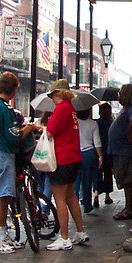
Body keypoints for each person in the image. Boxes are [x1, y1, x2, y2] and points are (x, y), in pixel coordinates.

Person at [0, 71, 38, 254]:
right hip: (2, 154)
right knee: (0, 197)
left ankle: (3, 236)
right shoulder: (4, 109)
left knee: (3, 197)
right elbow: (14, 137)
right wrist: (29, 128)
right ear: (12, 91)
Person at [44, 79, 89, 250]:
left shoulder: (61, 109)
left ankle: (64, 238)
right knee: (71, 196)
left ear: (58, 94)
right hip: (74, 157)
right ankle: (80, 232)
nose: (52, 99)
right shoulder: (71, 109)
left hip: (62, 158)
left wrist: (40, 127)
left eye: (52, 95)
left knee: (60, 198)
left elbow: (50, 132)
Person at [108, 84, 132, 220]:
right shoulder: (125, 110)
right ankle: (128, 207)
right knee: (124, 180)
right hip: (119, 150)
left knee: (127, 180)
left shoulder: (131, 110)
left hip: (124, 150)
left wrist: (129, 135)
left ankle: (129, 208)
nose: (118, 96)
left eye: (120, 93)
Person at [74, 108, 103, 214]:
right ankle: (87, 204)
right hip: (89, 154)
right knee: (87, 180)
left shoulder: (74, 123)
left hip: (75, 153)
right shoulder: (93, 124)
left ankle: (74, 204)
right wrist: (100, 156)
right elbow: (97, 142)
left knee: (75, 181)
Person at [94, 102, 114, 208]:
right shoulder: (111, 124)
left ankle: (96, 195)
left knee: (97, 174)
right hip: (108, 151)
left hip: (97, 151)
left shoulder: (96, 123)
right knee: (107, 173)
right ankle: (107, 196)